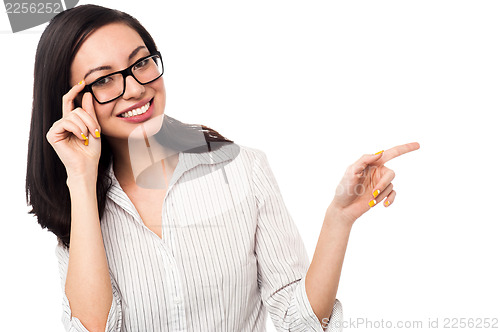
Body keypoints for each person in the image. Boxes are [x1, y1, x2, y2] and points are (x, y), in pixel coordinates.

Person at [25, 4, 420, 332]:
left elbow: (297, 321)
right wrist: (79, 176)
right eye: (105, 80)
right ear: (73, 102)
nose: (134, 88)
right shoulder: (79, 205)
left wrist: (339, 219)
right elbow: (94, 328)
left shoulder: (244, 169)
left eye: (140, 63)